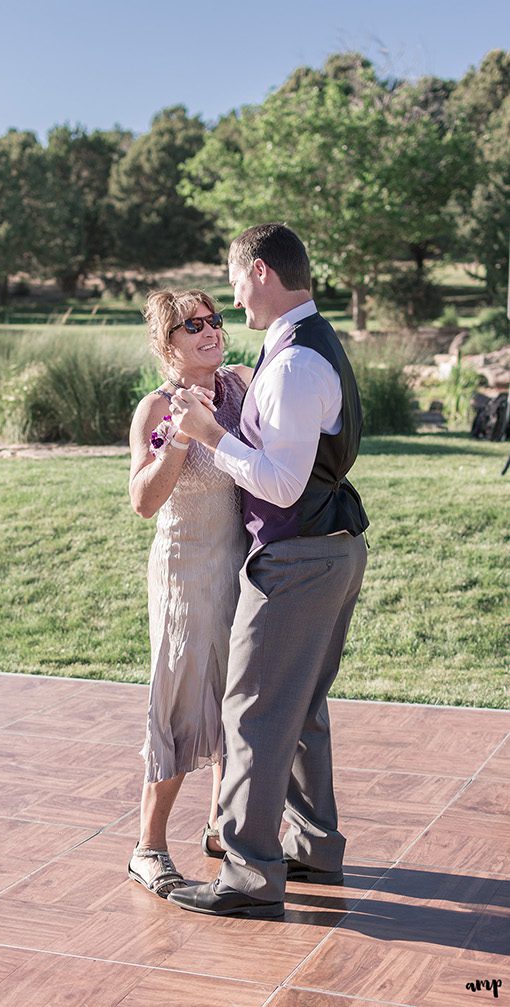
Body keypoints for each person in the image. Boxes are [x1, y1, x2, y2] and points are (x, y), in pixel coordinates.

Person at [167, 223, 368, 919]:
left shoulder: (292, 364)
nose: (231, 301)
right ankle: (313, 844)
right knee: (303, 708)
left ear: (257, 272)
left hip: (299, 556)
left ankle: (251, 877)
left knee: (251, 710)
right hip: (331, 549)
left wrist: (207, 435)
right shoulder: (307, 345)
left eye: (232, 283)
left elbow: (281, 484)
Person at [125, 290, 252, 898]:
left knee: (236, 694)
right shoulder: (154, 409)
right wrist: (179, 436)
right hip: (183, 570)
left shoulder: (244, 386)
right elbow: (144, 503)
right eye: (192, 324)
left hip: (242, 566)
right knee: (178, 699)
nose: (210, 330)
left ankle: (221, 826)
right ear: (166, 342)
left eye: (215, 319)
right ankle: (147, 846)